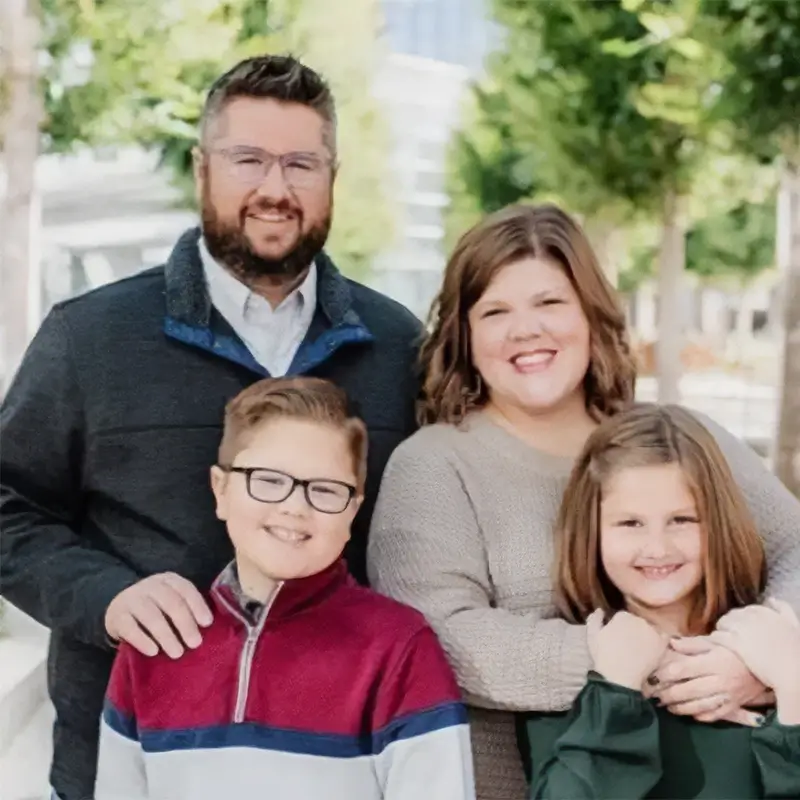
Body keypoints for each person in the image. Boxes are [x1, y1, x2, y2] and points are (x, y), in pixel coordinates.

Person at [0, 55, 422, 800]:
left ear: (332, 176)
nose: (274, 188)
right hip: (130, 765)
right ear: (202, 168)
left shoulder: (398, 348)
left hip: (337, 766)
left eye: (301, 164)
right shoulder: (89, 338)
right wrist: (105, 597)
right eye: (248, 159)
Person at [367, 203, 800, 800]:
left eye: (549, 302)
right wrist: (632, 665)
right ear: (464, 335)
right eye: (495, 311)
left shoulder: (673, 439)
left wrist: (756, 656)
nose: (526, 330)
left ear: (590, 313)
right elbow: (437, 636)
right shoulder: (434, 465)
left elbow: (794, 545)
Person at [94, 377, 475, 800]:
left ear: (352, 511)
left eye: (325, 489)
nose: (295, 507)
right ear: (221, 490)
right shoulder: (156, 641)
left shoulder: (400, 647)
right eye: (269, 480)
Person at [520, 403, 800, 799]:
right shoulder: (573, 676)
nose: (657, 548)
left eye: (681, 520)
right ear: (592, 531)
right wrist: (615, 692)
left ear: (718, 523)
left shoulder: (766, 647)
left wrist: (793, 687)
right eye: (630, 523)